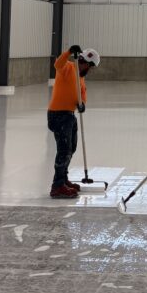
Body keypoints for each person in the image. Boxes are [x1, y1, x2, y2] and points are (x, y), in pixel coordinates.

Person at [48, 45, 100, 199]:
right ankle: (57, 186)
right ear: (82, 60)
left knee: (71, 149)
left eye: (89, 67)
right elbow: (57, 64)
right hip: (57, 114)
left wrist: (82, 104)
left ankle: (63, 179)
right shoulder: (67, 68)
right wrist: (69, 52)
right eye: (86, 64)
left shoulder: (81, 79)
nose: (86, 68)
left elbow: (82, 96)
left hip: (70, 115)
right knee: (64, 151)